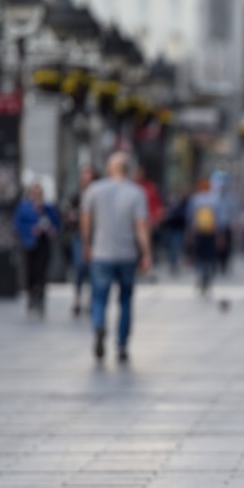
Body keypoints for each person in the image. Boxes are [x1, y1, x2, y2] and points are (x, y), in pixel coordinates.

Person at [81, 151, 153, 363]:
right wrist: (147, 253)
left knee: (99, 298)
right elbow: (142, 227)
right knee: (125, 301)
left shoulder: (94, 189)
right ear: (128, 169)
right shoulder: (136, 193)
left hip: (101, 253)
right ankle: (122, 345)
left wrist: (87, 244)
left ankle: (100, 326)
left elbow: (86, 221)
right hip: (127, 255)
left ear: (109, 168)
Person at [14, 181, 61, 314]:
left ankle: (40, 298)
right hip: (29, 243)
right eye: (35, 193)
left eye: (39, 193)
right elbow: (18, 225)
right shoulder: (24, 208)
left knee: (41, 272)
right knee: (30, 271)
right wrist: (31, 230)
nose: (37, 196)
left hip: (43, 243)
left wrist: (51, 229)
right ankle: (31, 295)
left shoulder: (48, 208)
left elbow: (57, 224)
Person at [63, 166, 98, 316]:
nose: (85, 181)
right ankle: (77, 299)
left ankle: (92, 301)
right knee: (80, 268)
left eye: (88, 178)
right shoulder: (77, 196)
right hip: (79, 237)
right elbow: (67, 216)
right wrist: (71, 217)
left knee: (94, 271)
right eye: (83, 178)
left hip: (97, 238)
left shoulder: (99, 195)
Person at [188, 178, 223, 296]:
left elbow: (191, 217)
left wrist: (191, 232)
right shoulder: (215, 199)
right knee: (208, 256)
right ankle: (206, 278)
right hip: (210, 232)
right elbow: (218, 218)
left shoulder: (196, 199)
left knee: (201, 256)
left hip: (201, 232)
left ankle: (202, 277)